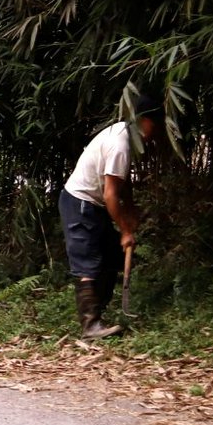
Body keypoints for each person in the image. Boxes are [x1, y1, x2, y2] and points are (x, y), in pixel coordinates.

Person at [62, 93, 163, 340]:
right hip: (80, 203)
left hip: (93, 205)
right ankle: (90, 325)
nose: (156, 132)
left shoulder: (122, 133)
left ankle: (100, 314)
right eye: (155, 124)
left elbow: (119, 185)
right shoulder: (121, 144)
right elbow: (109, 195)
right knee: (88, 263)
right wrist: (126, 231)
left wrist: (129, 211)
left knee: (110, 258)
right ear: (143, 121)